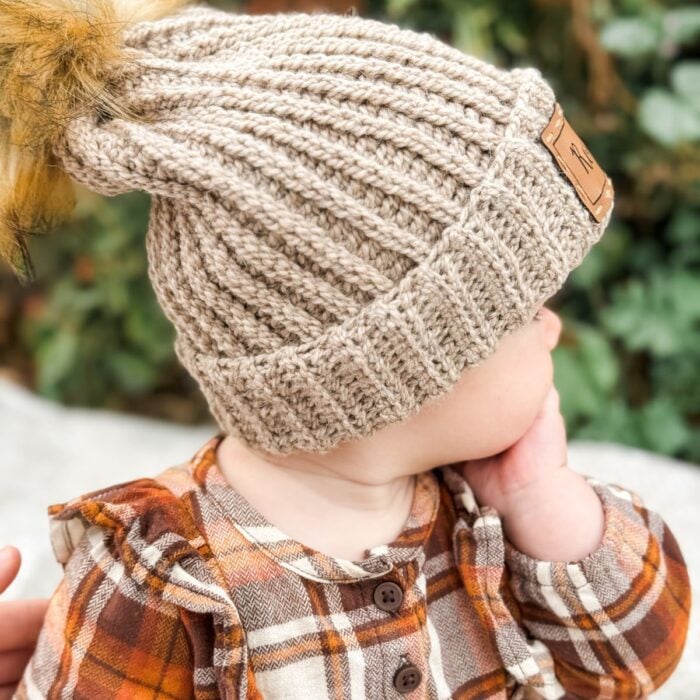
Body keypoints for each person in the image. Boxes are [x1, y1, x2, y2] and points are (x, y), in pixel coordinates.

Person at [1, 0, 690, 697]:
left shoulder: (486, 508)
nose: (552, 328)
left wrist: (544, 502)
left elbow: (633, 665)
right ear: (403, 368)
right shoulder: (162, 575)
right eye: (521, 311)